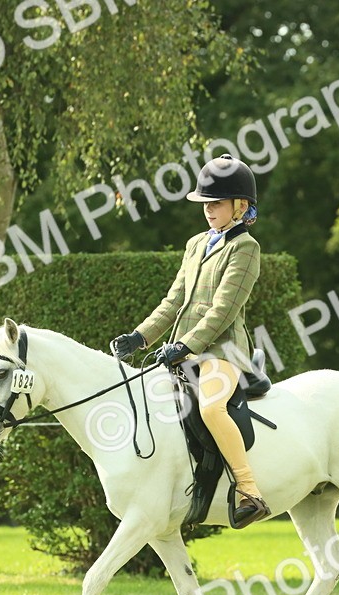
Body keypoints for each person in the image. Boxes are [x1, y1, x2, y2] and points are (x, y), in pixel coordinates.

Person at [110, 154, 271, 529]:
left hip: (223, 351)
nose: (209, 210)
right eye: (205, 204)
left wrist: (186, 345)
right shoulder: (196, 244)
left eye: (216, 203)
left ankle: (249, 490)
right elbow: (174, 301)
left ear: (240, 206)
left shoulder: (245, 248)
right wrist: (140, 337)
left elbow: (223, 310)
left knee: (212, 408)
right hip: (183, 352)